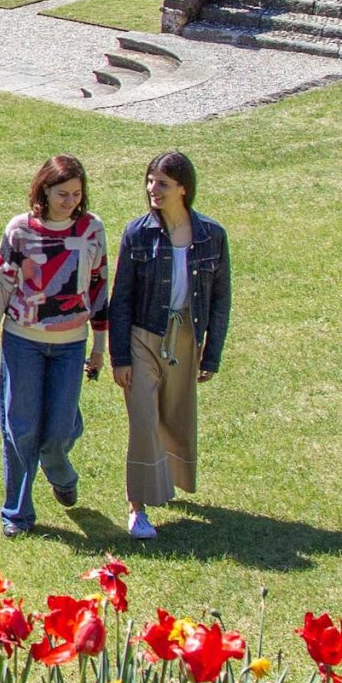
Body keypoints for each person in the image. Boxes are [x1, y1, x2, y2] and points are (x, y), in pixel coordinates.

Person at [0, 155, 110, 538]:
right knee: (20, 428)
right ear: (43, 190)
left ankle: (59, 468)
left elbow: (99, 287)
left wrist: (100, 344)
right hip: (23, 342)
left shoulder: (92, 229)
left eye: (76, 194)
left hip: (70, 345)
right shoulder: (20, 230)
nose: (69, 201)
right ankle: (17, 513)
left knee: (60, 430)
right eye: (62, 193)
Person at [108, 151, 233, 541]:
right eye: (149, 181)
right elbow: (121, 298)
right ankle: (138, 508)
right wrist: (120, 357)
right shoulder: (137, 233)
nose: (152, 189)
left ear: (183, 188)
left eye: (161, 183)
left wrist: (210, 353)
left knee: (176, 417)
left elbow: (220, 298)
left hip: (185, 337)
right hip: (143, 336)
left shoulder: (212, 235)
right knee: (144, 421)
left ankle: (169, 482)